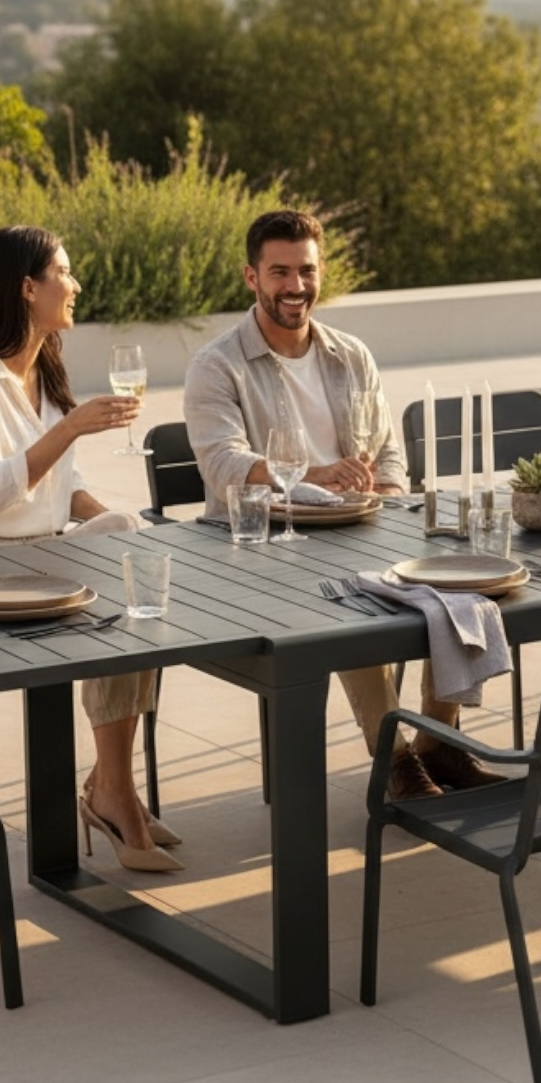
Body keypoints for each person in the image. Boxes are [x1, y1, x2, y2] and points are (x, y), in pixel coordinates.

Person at [185, 208, 493, 801]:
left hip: (363, 527)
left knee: (460, 585)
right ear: (251, 277)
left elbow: (388, 449)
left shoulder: (351, 355)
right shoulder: (217, 366)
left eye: (306, 271)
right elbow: (223, 466)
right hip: (271, 546)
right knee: (352, 602)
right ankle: (395, 761)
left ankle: (440, 743)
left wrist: (393, 500)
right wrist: (315, 476)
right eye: (279, 272)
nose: (295, 286)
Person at [0, 226, 176, 872]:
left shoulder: (45, 369)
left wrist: (115, 520)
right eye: (64, 272)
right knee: (123, 580)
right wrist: (70, 429)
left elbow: (66, 489)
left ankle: (111, 785)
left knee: (134, 562)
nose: (76, 284)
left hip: (37, 554)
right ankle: (113, 792)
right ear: (26, 288)